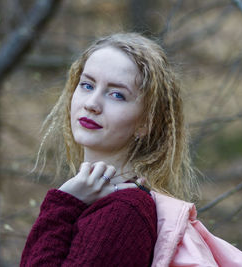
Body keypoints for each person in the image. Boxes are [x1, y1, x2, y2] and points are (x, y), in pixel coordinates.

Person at [20, 32, 198, 266]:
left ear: (146, 122)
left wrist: (64, 204)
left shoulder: (124, 213)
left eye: (116, 95)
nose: (91, 103)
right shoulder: (98, 204)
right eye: (87, 85)